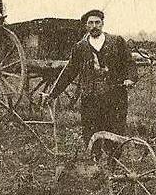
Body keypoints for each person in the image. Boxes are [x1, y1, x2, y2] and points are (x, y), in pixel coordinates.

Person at [45, 8, 137, 151]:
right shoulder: (80, 47)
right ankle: (95, 164)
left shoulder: (116, 41)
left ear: (102, 24)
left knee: (115, 133)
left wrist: (130, 79)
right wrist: (53, 94)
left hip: (115, 97)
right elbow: (69, 72)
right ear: (86, 26)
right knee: (91, 134)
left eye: (97, 22)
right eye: (90, 23)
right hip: (90, 99)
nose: (94, 26)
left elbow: (129, 62)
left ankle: (112, 165)